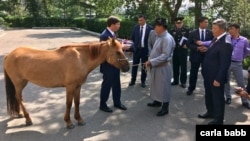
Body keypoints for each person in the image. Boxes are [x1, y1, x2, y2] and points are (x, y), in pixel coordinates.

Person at [198, 19, 233, 125]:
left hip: (216, 76)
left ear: (222, 29)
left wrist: (218, 79)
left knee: (217, 98)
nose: (212, 30)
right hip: (208, 74)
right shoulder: (215, 39)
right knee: (209, 94)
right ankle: (210, 112)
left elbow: (225, 64)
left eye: (214, 28)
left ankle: (218, 120)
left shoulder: (225, 43)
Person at [99, 16, 130, 113]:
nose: (119, 26)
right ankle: (103, 104)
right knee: (107, 85)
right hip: (108, 66)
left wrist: (121, 46)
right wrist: (122, 47)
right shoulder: (104, 35)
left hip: (115, 64)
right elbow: (105, 52)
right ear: (112, 25)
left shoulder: (112, 33)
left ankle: (117, 102)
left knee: (116, 84)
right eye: (118, 24)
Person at [145, 17, 176, 116]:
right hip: (156, 65)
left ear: (161, 26)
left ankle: (165, 107)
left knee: (163, 87)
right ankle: (157, 101)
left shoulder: (167, 38)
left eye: (156, 26)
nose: (154, 28)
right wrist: (151, 59)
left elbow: (165, 55)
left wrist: (152, 61)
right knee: (155, 85)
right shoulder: (159, 36)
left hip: (162, 66)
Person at [223, 23, 250, 109]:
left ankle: (245, 100)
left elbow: (247, 51)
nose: (230, 30)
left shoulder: (244, 40)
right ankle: (228, 97)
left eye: (232, 29)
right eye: (229, 29)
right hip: (227, 62)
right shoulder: (227, 38)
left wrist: (241, 57)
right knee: (226, 81)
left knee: (241, 82)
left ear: (237, 29)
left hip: (237, 63)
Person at [186, 16, 213, 95]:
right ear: (200, 23)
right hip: (195, 56)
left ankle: (208, 90)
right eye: (205, 22)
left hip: (206, 57)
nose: (207, 23)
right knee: (193, 73)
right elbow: (188, 44)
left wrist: (207, 49)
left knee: (207, 73)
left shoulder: (210, 32)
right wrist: (197, 48)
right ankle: (191, 88)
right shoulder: (193, 33)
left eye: (207, 22)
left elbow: (213, 43)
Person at [129, 15, 153, 88]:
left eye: (141, 20)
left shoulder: (150, 29)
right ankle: (133, 80)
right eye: (139, 20)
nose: (140, 22)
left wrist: (150, 52)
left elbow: (152, 41)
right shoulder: (136, 27)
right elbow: (132, 39)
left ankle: (143, 81)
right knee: (134, 66)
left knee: (144, 66)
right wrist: (131, 49)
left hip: (145, 51)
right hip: (136, 50)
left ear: (145, 20)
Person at [169, 17, 189, 88]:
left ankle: (183, 82)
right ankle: (175, 80)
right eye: (177, 23)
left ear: (182, 23)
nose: (179, 24)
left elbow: (190, 40)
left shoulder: (186, 30)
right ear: (175, 23)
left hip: (183, 51)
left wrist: (187, 45)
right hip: (175, 51)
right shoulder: (172, 30)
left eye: (180, 23)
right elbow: (170, 40)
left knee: (183, 67)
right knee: (175, 66)